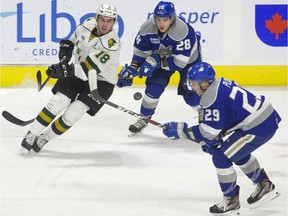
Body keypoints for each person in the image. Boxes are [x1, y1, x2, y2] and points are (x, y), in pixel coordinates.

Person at [162, 62, 281, 214]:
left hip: (258, 126)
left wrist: (181, 131)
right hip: (263, 118)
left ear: (204, 83)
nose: (192, 88)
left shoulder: (211, 97)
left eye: (194, 84)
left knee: (221, 157)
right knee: (237, 152)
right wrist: (217, 136)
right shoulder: (219, 84)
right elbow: (229, 116)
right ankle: (264, 185)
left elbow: (208, 130)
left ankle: (231, 201)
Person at [20, 4, 120, 154]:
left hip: (101, 81)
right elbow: (72, 40)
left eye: (109, 21)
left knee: (72, 115)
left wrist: (64, 70)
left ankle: (44, 138)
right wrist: (66, 50)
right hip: (78, 70)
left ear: (114, 22)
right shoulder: (87, 24)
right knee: (57, 103)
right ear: (97, 18)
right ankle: (31, 134)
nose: (105, 24)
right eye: (102, 19)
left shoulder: (112, 44)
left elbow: (87, 70)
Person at [116, 1, 202, 136]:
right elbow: (140, 52)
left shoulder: (182, 30)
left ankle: (205, 114)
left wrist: (154, 62)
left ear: (172, 18)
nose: (161, 23)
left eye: (165, 19)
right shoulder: (147, 28)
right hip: (160, 58)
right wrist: (132, 69)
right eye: (158, 19)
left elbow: (179, 63)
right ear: (154, 17)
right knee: (153, 89)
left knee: (191, 92)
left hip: (189, 61)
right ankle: (144, 118)